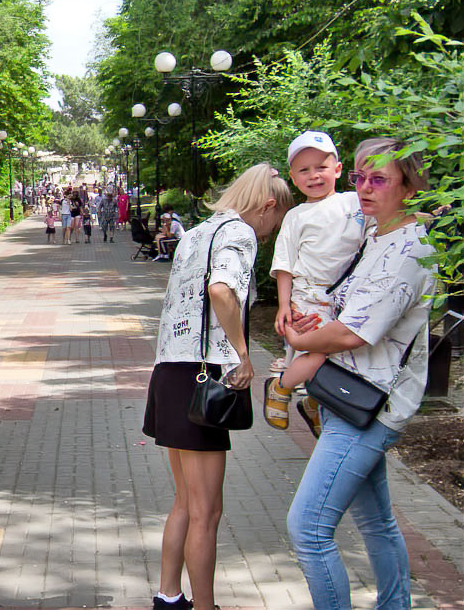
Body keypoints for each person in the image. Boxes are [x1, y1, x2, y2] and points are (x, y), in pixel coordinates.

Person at [283, 139, 435, 609]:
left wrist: (298, 340)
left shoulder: (409, 249)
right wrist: (310, 321)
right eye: (360, 178)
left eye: (379, 180)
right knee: (377, 522)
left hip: (370, 406)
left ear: (408, 188)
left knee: (307, 528)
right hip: (346, 395)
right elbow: (344, 308)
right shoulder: (376, 236)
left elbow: (353, 334)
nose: (365, 189)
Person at [143, 164, 292, 610]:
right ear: (267, 206)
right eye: (275, 223)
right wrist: (244, 355)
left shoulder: (196, 233)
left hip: (170, 373)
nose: (269, 235)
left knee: (185, 503)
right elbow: (222, 291)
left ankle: (169, 597)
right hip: (203, 377)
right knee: (207, 512)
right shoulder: (240, 233)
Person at [264, 131, 371, 437]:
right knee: (319, 353)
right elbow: (284, 265)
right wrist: (284, 306)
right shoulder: (296, 217)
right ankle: (281, 387)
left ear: (338, 169)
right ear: (293, 179)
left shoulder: (355, 202)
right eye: (304, 170)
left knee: (344, 359)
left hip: (347, 298)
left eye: (321, 167)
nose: (314, 176)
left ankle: (314, 402)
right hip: (309, 298)